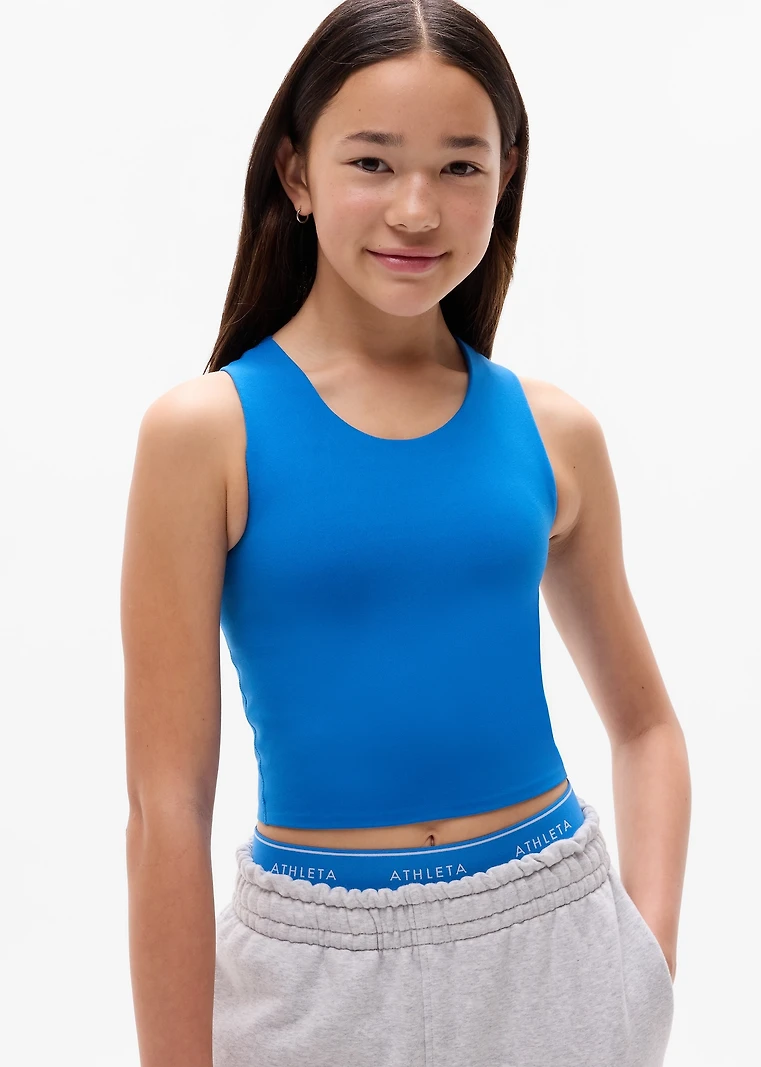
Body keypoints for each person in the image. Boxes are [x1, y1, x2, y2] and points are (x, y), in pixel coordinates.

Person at [122, 2, 691, 1064]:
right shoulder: (206, 433)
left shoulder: (552, 432)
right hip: (311, 974)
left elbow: (647, 726)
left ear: (506, 177)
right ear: (295, 174)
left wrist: (643, 966)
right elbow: (166, 806)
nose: (416, 210)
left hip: (557, 948)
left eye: (459, 166)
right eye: (372, 163)